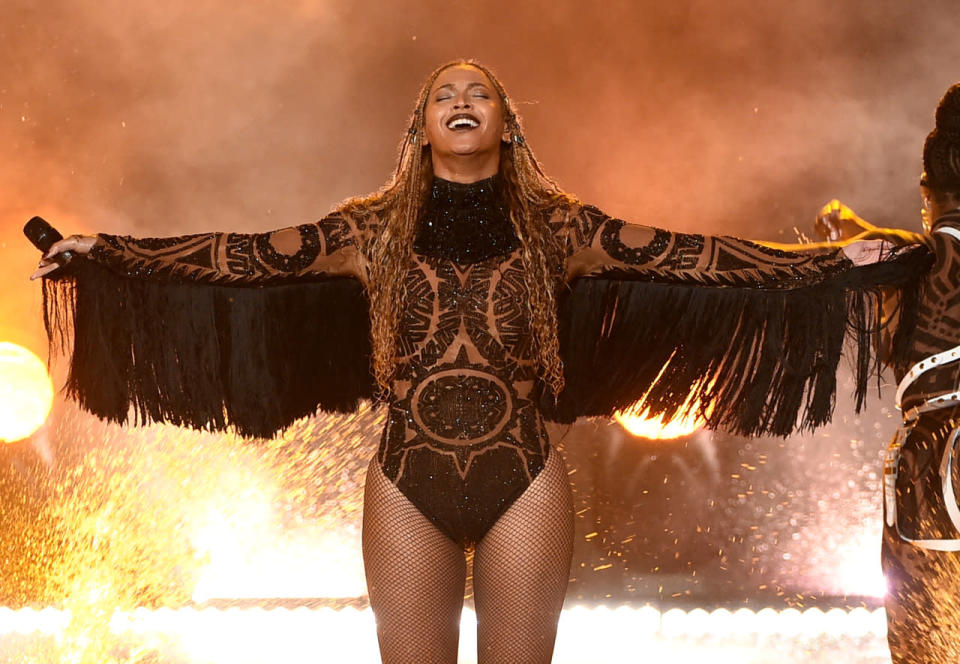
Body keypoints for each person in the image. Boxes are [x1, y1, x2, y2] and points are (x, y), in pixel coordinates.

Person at [31, 60, 927, 664]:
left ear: (507, 123)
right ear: (422, 128)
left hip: (523, 482)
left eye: (482, 92)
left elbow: (694, 258)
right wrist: (102, 254)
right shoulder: (367, 229)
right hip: (407, 482)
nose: (462, 97)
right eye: (443, 93)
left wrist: (825, 265)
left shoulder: (562, 227)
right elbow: (239, 255)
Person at [815, 83, 960, 664]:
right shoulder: (911, 257)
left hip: (934, 466)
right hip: (933, 469)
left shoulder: (906, 259)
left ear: (927, 193)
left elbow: (772, 271)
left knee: (930, 645)